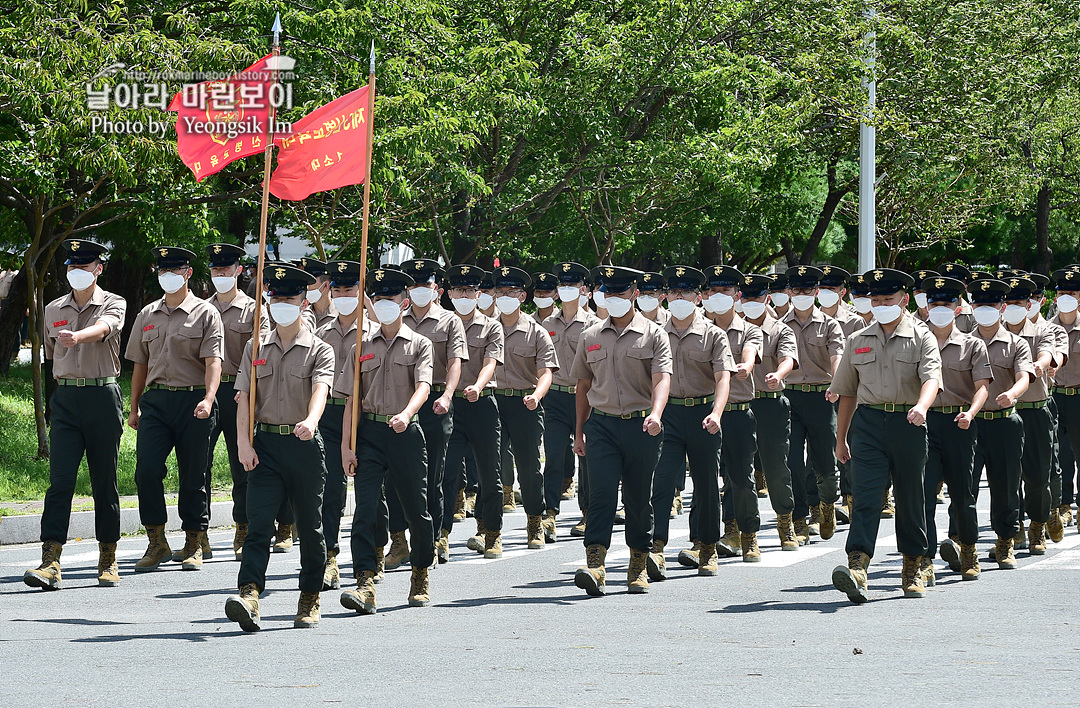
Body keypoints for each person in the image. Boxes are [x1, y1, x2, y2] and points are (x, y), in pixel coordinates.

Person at [225, 264, 334, 631]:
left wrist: (312, 421)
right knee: (258, 525)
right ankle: (250, 595)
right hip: (266, 446)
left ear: (304, 302)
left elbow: (320, 390)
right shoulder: (256, 347)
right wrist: (243, 444)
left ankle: (309, 597)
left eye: (289, 297)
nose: (281, 303)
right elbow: (244, 400)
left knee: (310, 527)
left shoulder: (320, 349)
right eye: (275, 297)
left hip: (303, 446)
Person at [830, 268, 941, 603]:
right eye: (875, 300)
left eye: (887, 299)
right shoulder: (857, 340)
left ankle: (913, 566)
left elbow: (932, 379)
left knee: (910, 499)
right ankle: (858, 566)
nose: (880, 305)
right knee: (865, 496)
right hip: (868, 425)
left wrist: (922, 407)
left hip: (908, 423)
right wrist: (841, 438)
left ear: (904, 300)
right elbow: (847, 392)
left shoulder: (922, 336)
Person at [24, 239, 126, 591]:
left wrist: (78, 336)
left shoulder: (114, 302)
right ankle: (50, 559)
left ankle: (108, 556)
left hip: (102, 395)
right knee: (61, 481)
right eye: (72, 266)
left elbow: (105, 328)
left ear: (99, 268)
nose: (77, 272)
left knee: (104, 480)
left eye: (85, 266)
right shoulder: (53, 309)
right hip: (66, 400)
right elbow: (52, 356)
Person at [338, 267, 436, 614]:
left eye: (390, 299)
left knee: (415, 510)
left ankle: (420, 571)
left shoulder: (420, 344)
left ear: (404, 302)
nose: (383, 304)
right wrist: (346, 445)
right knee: (365, 510)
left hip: (405, 432)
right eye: (377, 299)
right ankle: (364, 582)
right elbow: (352, 399)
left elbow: (423, 386)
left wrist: (407, 414)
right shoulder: (360, 347)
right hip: (370, 434)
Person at [571, 266, 672, 596]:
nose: (613, 298)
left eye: (620, 292)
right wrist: (579, 431)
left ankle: (638, 565)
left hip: (642, 425)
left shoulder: (654, 334)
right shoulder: (590, 336)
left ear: (634, 294)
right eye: (608, 293)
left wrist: (656, 414)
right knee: (600, 495)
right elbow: (583, 386)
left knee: (638, 498)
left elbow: (661, 379)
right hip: (601, 424)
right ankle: (595, 566)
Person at [126, 246, 223, 572]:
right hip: (156, 402)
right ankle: (157, 540)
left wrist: (209, 398)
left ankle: (194, 540)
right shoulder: (147, 315)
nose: (168, 276)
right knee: (147, 470)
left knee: (194, 474)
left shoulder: (206, 313)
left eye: (175, 270)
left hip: (193, 400)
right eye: (163, 270)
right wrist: (134, 407)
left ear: (188, 274)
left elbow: (213, 363)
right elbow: (139, 365)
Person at [649, 266, 734, 577]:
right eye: (673, 292)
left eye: (685, 292)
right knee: (661, 481)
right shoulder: (655, 333)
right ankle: (655, 547)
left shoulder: (714, 334)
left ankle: (708, 547)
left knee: (707, 484)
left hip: (702, 414)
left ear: (699, 298)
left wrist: (717, 413)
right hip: (667, 415)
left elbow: (723, 379)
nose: (679, 297)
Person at [920, 276, 991, 581]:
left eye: (946, 303)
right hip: (924, 422)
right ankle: (922, 558)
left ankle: (969, 550)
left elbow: (982, 387)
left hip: (959, 423)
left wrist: (971, 414)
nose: (939, 309)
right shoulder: (915, 343)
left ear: (958, 307)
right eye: (934, 303)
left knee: (963, 493)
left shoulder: (972, 344)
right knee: (922, 493)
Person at [399, 258, 467, 564]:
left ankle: (439, 535)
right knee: (400, 473)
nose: (419, 290)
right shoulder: (398, 320)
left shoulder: (450, 321)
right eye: (413, 285)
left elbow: (455, 361)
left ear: (435, 289)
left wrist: (449, 396)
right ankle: (400, 539)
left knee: (434, 474)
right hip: (403, 403)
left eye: (424, 285)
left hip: (437, 400)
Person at [965, 277, 1032, 569]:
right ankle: (963, 542)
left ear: (1001, 306)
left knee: (1005, 485)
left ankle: (1005, 541)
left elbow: (1025, 377)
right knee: (963, 486)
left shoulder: (1016, 343)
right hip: (968, 422)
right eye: (979, 303)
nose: (984, 308)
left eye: (991, 303)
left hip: (1004, 421)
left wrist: (1012, 394)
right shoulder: (962, 341)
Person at [490, 266, 559, 548]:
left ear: (522, 296)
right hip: (491, 401)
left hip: (524, 403)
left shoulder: (536, 332)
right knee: (490, 468)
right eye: (501, 292)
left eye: (512, 292)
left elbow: (546, 373)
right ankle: (491, 531)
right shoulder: (485, 328)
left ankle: (534, 520)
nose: (505, 296)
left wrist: (537, 396)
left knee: (529, 466)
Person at [440, 265, 506, 558]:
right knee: (446, 473)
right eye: (458, 290)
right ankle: (441, 534)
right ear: (449, 294)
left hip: (481, 404)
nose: (464, 295)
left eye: (469, 290)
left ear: (479, 294)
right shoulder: (442, 324)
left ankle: (491, 531)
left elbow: (491, 362)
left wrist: (478, 386)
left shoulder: (491, 326)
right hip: (448, 403)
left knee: (489, 473)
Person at [701, 266, 765, 559]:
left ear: (737, 296)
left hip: (736, 412)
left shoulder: (750, 328)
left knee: (740, 477)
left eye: (725, 291)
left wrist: (745, 367)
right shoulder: (698, 328)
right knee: (705, 479)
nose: (718, 296)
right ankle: (709, 537)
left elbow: (750, 352)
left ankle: (748, 534)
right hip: (703, 414)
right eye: (713, 291)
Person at [781, 266, 845, 545]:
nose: (802, 294)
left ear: (816, 292)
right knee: (793, 460)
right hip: (790, 397)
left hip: (822, 396)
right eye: (797, 290)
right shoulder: (781, 324)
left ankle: (827, 503)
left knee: (825, 460)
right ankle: (799, 518)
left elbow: (837, 356)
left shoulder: (829, 324)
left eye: (807, 289)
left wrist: (836, 384)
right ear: (789, 292)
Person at [314, 260, 367, 589]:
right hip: (333, 415)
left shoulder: (374, 331)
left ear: (361, 291)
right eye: (338, 289)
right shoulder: (321, 332)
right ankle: (330, 557)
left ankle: (373, 553)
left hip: (369, 416)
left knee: (372, 493)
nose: (343, 294)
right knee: (331, 490)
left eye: (350, 289)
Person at [203, 243, 257, 561]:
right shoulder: (198, 308)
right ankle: (199, 534)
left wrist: (248, 388)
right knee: (199, 466)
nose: (220, 274)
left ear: (238, 270)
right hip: (207, 394)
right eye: (215, 269)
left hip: (239, 393)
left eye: (226, 268)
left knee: (242, 466)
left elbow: (259, 353)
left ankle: (244, 528)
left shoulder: (253, 310)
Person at [1001, 276, 1060, 555]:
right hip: (1004, 415)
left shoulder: (1042, 329)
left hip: (1035, 411)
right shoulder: (991, 333)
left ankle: (1038, 526)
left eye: (1019, 302)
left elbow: (1047, 353)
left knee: (1038, 477)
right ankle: (1014, 531)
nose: (1013, 306)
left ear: (1028, 304)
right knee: (1008, 477)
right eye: (1009, 302)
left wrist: (1038, 365)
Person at [742, 273, 800, 551]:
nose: (751, 302)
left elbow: (788, 357)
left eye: (756, 297)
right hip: (738, 404)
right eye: (746, 297)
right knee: (737, 471)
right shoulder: (732, 329)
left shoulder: (780, 329)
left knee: (776, 468)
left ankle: (785, 522)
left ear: (766, 298)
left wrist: (778, 373)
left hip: (770, 402)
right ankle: (741, 531)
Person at [542, 262, 600, 539]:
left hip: (585, 397)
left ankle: (588, 513)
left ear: (584, 290)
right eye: (562, 286)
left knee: (586, 457)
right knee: (553, 455)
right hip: (554, 397)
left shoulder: (595, 326)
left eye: (573, 286)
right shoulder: (546, 324)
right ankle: (549, 514)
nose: (567, 291)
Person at [1050, 269, 1080, 531]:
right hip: (1055, 396)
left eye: (1071, 293)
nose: (1065, 297)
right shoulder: (1048, 329)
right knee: (1059, 456)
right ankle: (1064, 505)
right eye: (1061, 293)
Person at [296, 256, 338, 329]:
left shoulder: (341, 314)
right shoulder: (300, 314)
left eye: (310, 282)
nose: (306, 286)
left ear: (325, 285)